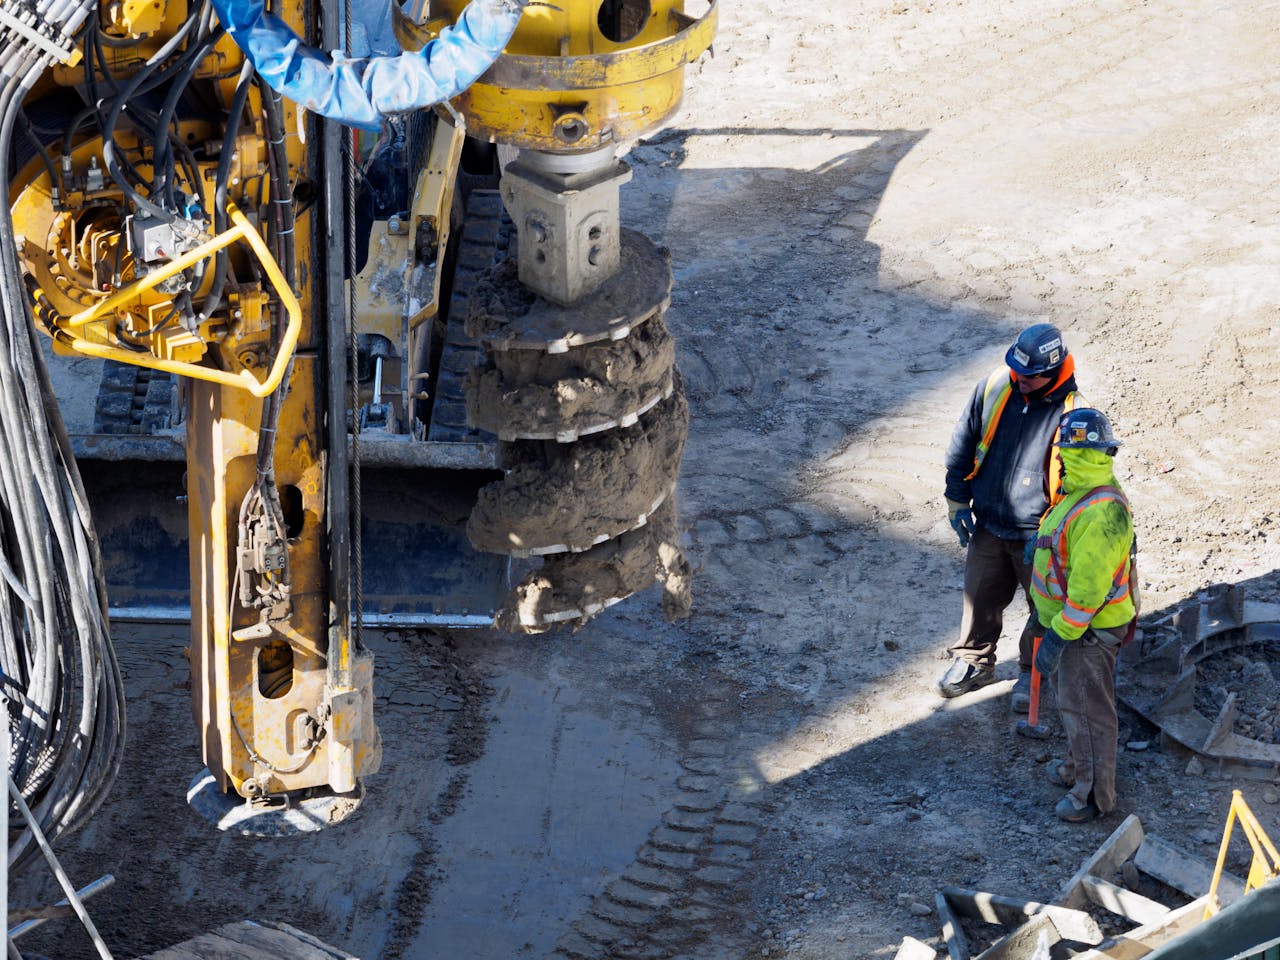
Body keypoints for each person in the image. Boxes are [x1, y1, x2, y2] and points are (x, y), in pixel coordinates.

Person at [940, 323, 1086, 703]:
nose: (1019, 379)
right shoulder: (995, 388)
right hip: (990, 522)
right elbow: (963, 440)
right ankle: (974, 661)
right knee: (979, 597)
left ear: (1052, 373)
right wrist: (957, 498)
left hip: (1038, 533)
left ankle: (1033, 672)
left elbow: (1080, 486)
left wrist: (1054, 535)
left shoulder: (1075, 415)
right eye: (1016, 370)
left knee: (1044, 609)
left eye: (1030, 376)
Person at [1030, 408, 1135, 823]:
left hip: (1085, 634)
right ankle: (1079, 771)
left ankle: (1092, 797)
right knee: (1074, 706)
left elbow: (1088, 595)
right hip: (1073, 626)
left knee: (1088, 714)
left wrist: (1058, 636)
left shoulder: (1100, 510)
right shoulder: (1084, 488)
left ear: (1069, 452)